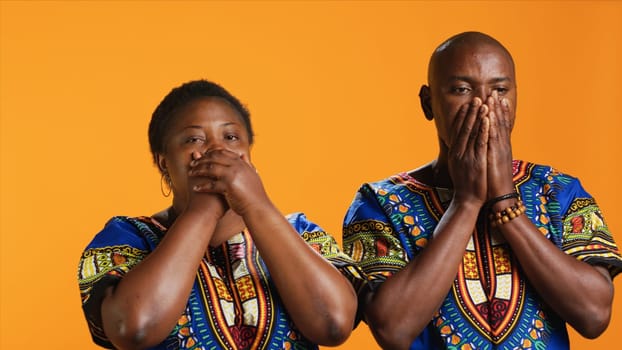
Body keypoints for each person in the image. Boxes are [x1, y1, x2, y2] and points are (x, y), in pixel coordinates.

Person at [342, 31, 622, 349]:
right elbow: (392, 328)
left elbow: (594, 315)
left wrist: (505, 203)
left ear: (516, 97)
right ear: (427, 102)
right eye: (461, 90)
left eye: (500, 90)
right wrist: (467, 201)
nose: (484, 106)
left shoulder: (557, 190)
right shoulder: (379, 203)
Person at [78, 79, 365, 349]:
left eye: (230, 136)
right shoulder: (128, 237)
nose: (216, 149)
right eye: (194, 139)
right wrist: (204, 209)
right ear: (163, 162)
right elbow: (135, 329)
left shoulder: (301, 233)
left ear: (248, 154)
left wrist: (257, 205)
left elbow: (333, 324)